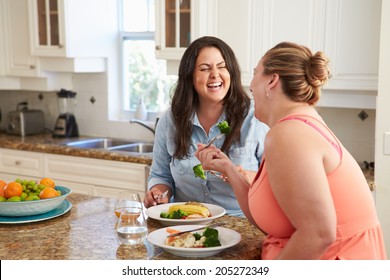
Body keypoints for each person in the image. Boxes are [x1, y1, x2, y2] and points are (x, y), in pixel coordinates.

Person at [195, 42, 387, 259]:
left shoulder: (288, 134)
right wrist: (229, 169)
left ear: (272, 80)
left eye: (256, 73)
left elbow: (318, 234)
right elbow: (273, 222)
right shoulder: (294, 125)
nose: (250, 85)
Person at [143, 36, 269, 216]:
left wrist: (237, 174)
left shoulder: (256, 118)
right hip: (186, 223)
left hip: (242, 223)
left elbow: (274, 182)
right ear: (190, 77)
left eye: (222, 67)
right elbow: (161, 176)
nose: (215, 75)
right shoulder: (170, 121)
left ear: (231, 72)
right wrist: (158, 193)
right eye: (205, 69)